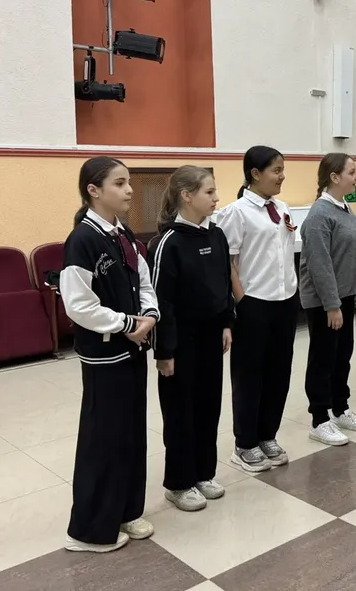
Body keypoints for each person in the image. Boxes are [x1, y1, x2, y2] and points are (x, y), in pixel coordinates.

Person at [60, 157, 158, 553]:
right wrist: (126, 323)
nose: (129, 190)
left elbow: (144, 281)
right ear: (93, 190)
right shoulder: (81, 240)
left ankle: (126, 510)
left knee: (130, 434)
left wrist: (149, 314)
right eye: (119, 183)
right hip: (105, 356)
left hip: (133, 349)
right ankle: (89, 531)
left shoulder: (124, 235)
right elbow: (78, 305)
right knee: (103, 439)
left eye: (128, 182)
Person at [149, 166, 234, 512]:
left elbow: (224, 285)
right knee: (180, 412)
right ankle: (179, 483)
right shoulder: (167, 243)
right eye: (209, 192)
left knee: (208, 406)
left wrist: (226, 323)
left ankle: (203, 473)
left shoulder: (216, 235)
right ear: (186, 196)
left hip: (212, 336)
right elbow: (161, 301)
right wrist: (164, 350)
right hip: (180, 342)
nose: (216, 198)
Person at [214, 146, 298, 473]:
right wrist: (242, 301)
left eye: (283, 169)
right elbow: (228, 261)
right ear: (255, 173)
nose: (282, 176)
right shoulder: (236, 212)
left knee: (279, 372)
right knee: (249, 375)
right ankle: (245, 443)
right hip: (254, 304)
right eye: (276, 170)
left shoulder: (282, 208)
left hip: (284, 301)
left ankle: (267, 435)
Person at [300, 153, 356, 446]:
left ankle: (340, 408)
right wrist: (332, 305)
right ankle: (319, 419)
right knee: (323, 358)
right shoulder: (319, 215)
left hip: (344, 296)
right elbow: (320, 265)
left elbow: (354, 255)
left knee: (342, 355)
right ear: (334, 177)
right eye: (352, 172)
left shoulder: (344, 208)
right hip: (324, 302)